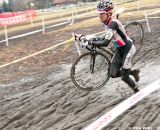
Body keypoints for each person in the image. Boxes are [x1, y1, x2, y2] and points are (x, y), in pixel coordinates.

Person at [80, 0, 140, 93]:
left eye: (102, 14)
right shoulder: (107, 23)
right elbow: (103, 37)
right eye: (99, 14)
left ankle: (136, 90)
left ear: (108, 13)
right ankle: (133, 72)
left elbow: (105, 42)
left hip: (128, 49)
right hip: (120, 50)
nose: (100, 16)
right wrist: (89, 39)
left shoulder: (113, 23)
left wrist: (90, 42)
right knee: (112, 74)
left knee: (124, 77)